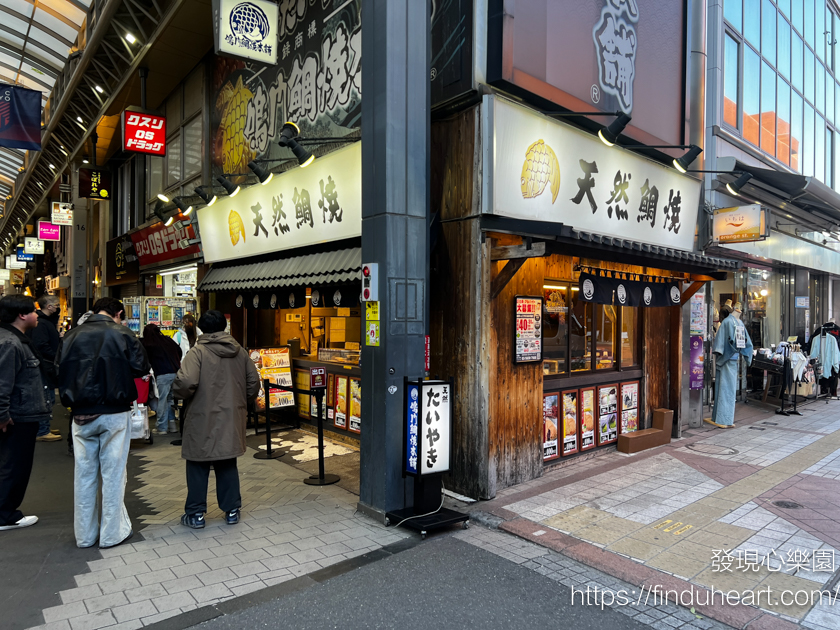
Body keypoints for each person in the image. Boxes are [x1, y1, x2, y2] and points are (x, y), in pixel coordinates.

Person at [57, 297, 150, 548]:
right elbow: (142, 367)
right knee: (113, 474)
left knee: (84, 474)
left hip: (80, 413)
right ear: (118, 313)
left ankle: (85, 535)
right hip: (114, 410)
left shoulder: (71, 336)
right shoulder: (123, 334)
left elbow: (58, 370)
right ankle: (112, 533)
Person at [172, 310, 259, 529]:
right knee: (227, 462)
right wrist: (241, 403)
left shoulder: (197, 352)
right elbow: (253, 384)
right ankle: (231, 510)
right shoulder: (240, 353)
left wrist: (178, 394)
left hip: (201, 417)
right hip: (231, 417)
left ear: (202, 328)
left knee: (198, 464)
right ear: (223, 327)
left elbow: (185, 382)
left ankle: (196, 514)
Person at [0, 295, 50, 531]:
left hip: (19, 413)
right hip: (17, 415)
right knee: (14, 465)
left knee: (12, 464)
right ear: (22, 315)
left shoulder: (14, 340)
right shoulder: (10, 343)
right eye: (33, 311)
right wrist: (2, 415)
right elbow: (2, 383)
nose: (36, 316)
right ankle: (6, 515)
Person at [708, 302, 753, 429]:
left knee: (725, 389)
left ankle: (719, 416)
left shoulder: (736, 323)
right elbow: (745, 343)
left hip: (730, 358)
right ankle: (724, 418)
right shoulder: (729, 322)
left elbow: (746, 342)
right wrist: (747, 356)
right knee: (727, 390)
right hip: (727, 359)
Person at [27, 295, 62, 442]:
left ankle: (44, 426)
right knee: (47, 396)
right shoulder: (42, 323)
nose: (58, 307)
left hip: (45, 363)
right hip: (45, 364)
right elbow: (41, 345)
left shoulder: (45, 322)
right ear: (49, 306)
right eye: (57, 305)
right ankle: (42, 430)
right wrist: (56, 356)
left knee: (47, 395)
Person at [141, 324, 182, 435]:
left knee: (162, 400)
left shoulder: (147, 344)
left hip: (162, 374)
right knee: (170, 400)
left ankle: (162, 427)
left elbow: (142, 360)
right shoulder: (167, 340)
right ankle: (173, 426)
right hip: (175, 372)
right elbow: (179, 350)